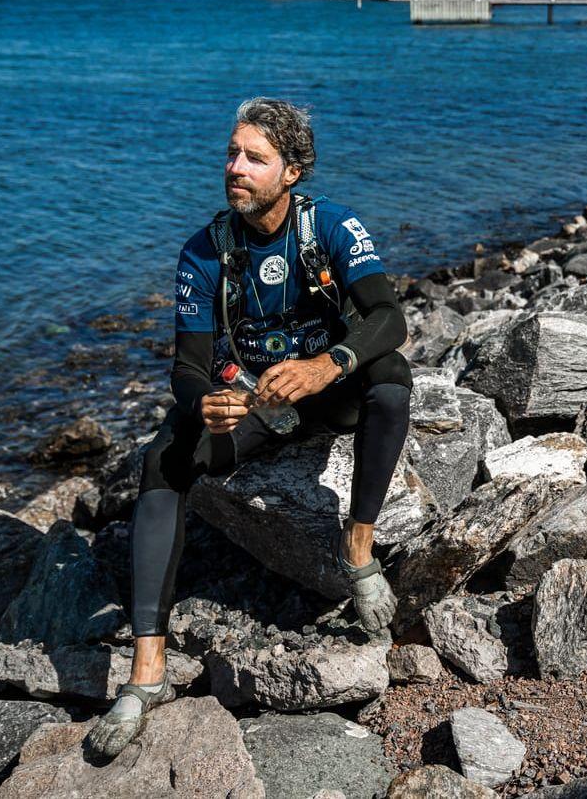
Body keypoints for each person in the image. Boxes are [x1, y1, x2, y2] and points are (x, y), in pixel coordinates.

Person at [85, 97, 412, 760]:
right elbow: (187, 365)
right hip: (253, 404)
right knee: (165, 458)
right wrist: (207, 401)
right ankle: (145, 673)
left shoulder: (333, 228)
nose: (234, 167)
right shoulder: (204, 252)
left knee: (391, 380)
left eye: (253, 158)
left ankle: (357, 550)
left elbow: (387, 316)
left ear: (292, 170)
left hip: (324, 394)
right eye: (231, 154)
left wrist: (328, 365)